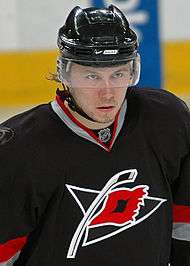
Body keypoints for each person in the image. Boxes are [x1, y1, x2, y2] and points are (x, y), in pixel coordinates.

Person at [0, 5, 190, 266]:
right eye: (91, 76)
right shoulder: (20, 148)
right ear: (65, 74)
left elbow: (185, 218)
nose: (108, 92)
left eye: (119, 74)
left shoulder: (167, 121)